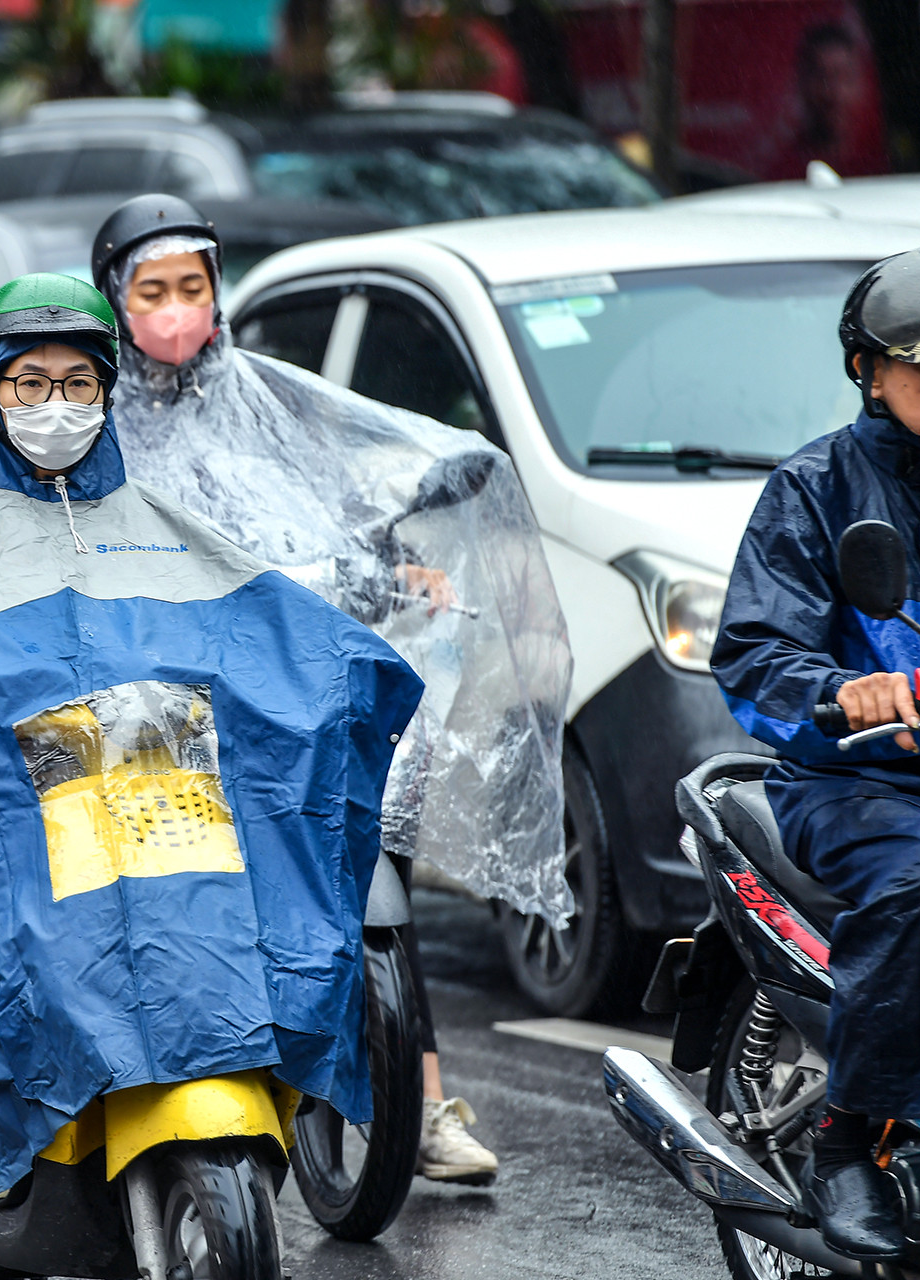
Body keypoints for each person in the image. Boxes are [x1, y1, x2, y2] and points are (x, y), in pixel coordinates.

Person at [0, 273, 423, 1200]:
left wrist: (338, 671)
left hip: (151, 787)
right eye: (29, 382)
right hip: (5, 802)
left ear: (106, 391)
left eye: (76, 383)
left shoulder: (161, 523)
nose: (53, 405)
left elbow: (258, 640)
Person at [92, 194, 573, 1186]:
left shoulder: (267, 399)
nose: (177, 307)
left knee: (363, 851)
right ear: (115, 298)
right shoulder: (94, 420)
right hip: (160, 694)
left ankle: (422, 1099)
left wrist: (402, 567)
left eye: (193, 285)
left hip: (278, 679)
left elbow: (333, 503)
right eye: (154, 289)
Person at [711, 243, 920, 1261]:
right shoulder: (814, 490)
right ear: (868, 373)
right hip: (863, 782)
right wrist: (845, 693)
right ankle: (851, 1131)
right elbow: (753, 656)